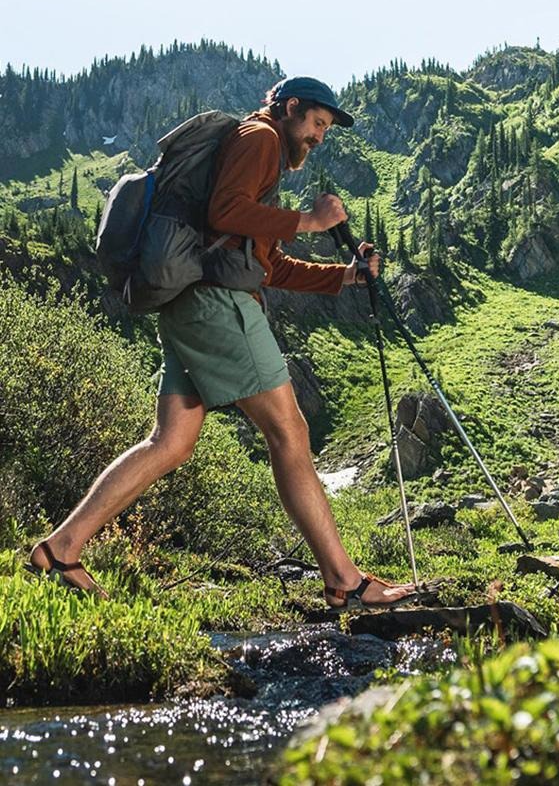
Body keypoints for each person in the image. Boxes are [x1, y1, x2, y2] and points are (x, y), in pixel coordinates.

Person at [28, 76, 417, 612]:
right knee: (288, 430)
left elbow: (266, 262)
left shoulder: (263, 155)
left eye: (326, 129)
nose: (320, 137)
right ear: (292, 108)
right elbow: (225, 213)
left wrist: (344, 277)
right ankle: (344, 581)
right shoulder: (259, 139)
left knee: (170, 443)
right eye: (318, 124)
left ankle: (60, 549)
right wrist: (309, 220)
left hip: (188, 303)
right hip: (216, 306)